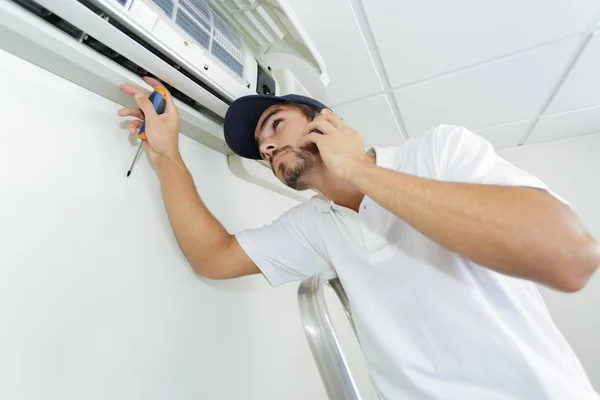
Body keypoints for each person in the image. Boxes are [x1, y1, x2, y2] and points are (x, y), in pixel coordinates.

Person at [117, 76, 600, 399]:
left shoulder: (438, 152)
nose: (265, 147)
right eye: (261, 149)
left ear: (322, 119)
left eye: (274, 125)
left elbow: (570, 257)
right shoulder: (315, 223)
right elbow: (213, 258)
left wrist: (359, 171)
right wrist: (167, 156)